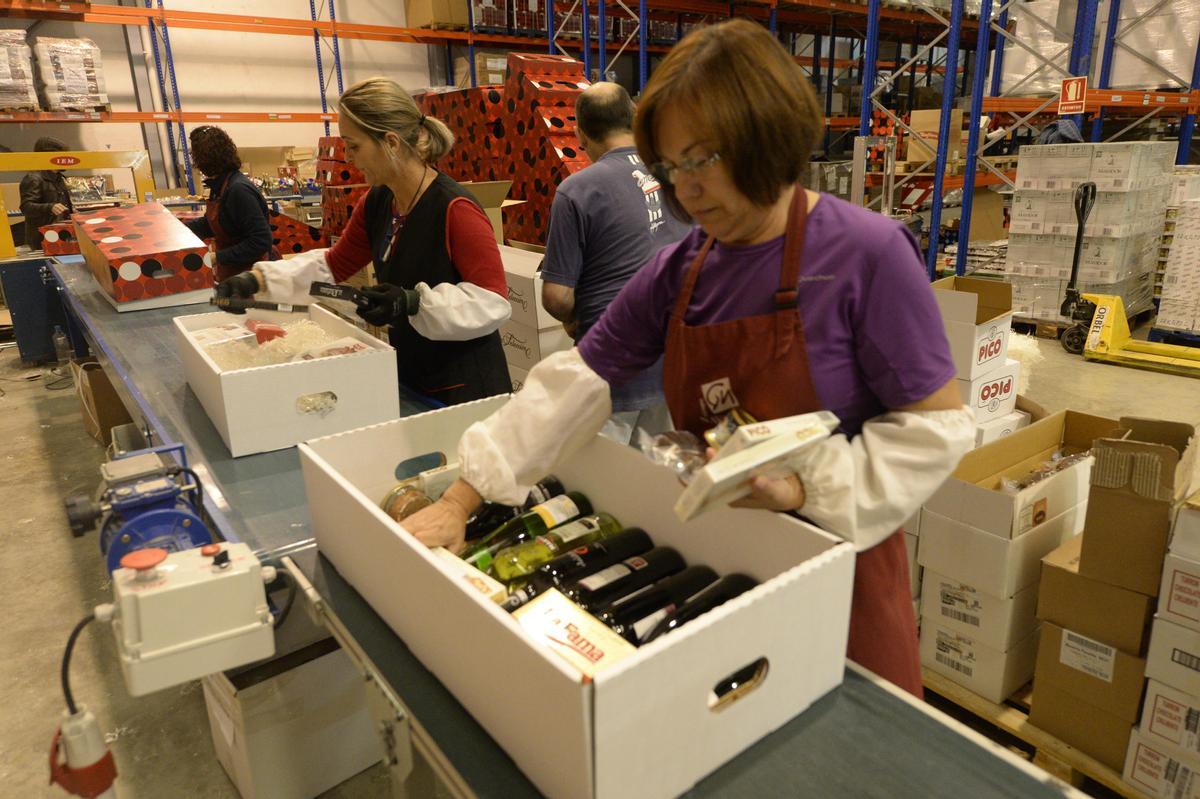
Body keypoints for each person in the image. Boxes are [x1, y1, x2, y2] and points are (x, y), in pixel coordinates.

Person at [405, 19, 975, 696]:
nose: (687, 189)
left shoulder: (866, 255)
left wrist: (810, 486)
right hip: (721, 571)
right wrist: (465, 497)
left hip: (840, 578)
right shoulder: (683, 269)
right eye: (671, 168)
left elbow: (935, 426)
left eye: (701, 158)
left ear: (764, 135)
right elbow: (576, 378)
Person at [216, 77, 511, 405]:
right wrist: (257, 280)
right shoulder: (379, 202)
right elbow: (333, 265)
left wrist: (413, 302)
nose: (350, 158)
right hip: (412, 376)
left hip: (466, 390)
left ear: (391, 143)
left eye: (354, 146)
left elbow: (492, 301)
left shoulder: (455, 209)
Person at [540, 82, 689, 444]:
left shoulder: (577, 190)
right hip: (675, 356)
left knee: (608, 479)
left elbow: (557, 297)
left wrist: (571, 317)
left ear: (579, 133)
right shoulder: (677, 174)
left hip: (612, 363)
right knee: (660, 474)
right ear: (635, 116)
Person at [183, 125, 278, 281]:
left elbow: (260, 241)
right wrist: (180, 230)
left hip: (252, 275)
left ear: (203, 159)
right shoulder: (219, 186)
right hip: (233, 271)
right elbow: (213, 223)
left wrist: (216, 257)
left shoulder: (238, 190)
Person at [19, 137, 75, 250]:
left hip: (61, 234)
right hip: (42, 238)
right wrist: (50, 207)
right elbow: (26, 207)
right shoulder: (33, 178)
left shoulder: (58, 177)